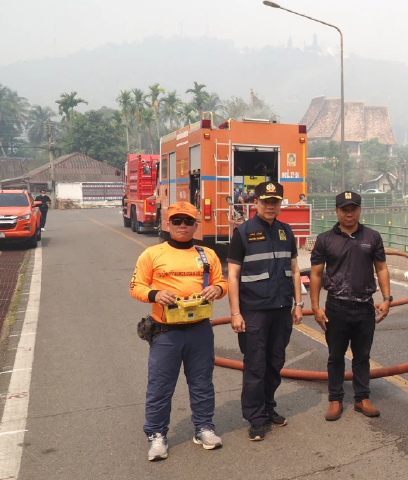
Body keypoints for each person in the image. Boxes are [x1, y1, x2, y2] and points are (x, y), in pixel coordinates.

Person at [129, 201, 227, 462]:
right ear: (168, 224)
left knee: (202, 382)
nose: (182, 226)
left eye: (188, 221)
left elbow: (221, 282)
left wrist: (217, 289)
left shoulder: (208, 254)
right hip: (165, 331)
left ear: (196, 225)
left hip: (200, 329)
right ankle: (157, 435)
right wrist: (154, 293)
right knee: (160, 386)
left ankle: (204, 428)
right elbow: (135, 286)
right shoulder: (152, 254)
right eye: (177, 221)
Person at [227, 181, 303, 441]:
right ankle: (256, 417)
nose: (271, 206)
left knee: (275, 363)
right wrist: (236, 313)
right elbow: (233, 275)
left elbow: (294, 271)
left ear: (280, 204)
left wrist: (298, 304)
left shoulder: (286, 231)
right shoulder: (243, 232)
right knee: (255, 366)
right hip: (254, 312)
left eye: (275, 202)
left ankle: (269, 408)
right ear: (255, 203)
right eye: (265, 201)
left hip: (282, 311)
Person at [309, 191, 392, 421]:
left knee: (362, 355)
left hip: (365, 307)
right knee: (335, 355)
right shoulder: (325, 239)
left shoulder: (372, 237)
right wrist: (315, 307)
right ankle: (335, 399)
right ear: (336, 212)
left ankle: (362, 398)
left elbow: (382, 268)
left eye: (353, 209)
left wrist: (387, 299)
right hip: (336, 307)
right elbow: (316, 275)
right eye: (344, 209)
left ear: (360, 210)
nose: (349, 213)